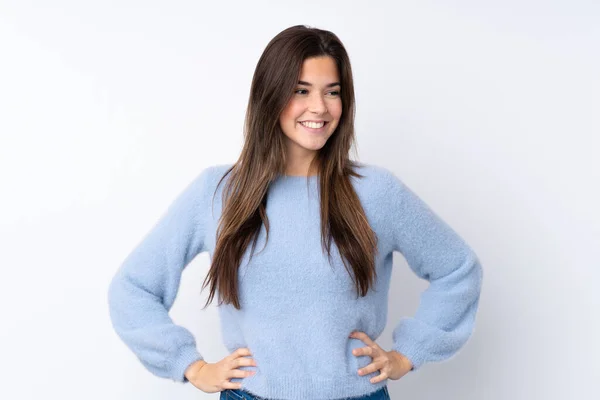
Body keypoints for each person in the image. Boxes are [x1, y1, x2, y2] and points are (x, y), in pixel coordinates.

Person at [107, 25, 483, 400]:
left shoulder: (377, 191)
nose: (319, 107)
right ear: (269, 96)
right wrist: (191, 366)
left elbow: (458, 269)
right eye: (300, 90)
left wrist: (407, 355)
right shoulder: (218, 192)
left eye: (332, 92)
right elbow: (133, 288)